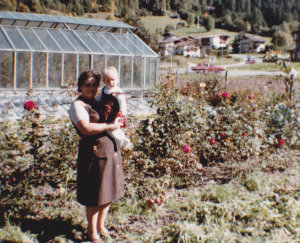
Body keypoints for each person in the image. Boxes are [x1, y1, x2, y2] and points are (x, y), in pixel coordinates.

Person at [69, 70, 124, 243]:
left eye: (94, 84)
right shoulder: (78, 105)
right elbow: (86, 128)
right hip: (93, 153)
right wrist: (110, 126)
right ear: (80, 87)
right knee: (94, 195)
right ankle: (92, 232)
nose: (92, 88)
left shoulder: (100, 101)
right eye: (87, 85)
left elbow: (119, 113)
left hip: (110, 152)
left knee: (108, 191)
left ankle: (101, 226)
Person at [96, 66, 130, 149]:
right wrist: (95, 102)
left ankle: (120, 140)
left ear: (117, 80)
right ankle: (124, 139)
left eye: (113, 80)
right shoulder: (104, 90)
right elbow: (98, 98)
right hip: (106, 113)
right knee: (113, 128)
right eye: (108, 81)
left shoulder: (118, 91)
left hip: (115, 113)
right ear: (104, 81)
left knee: (110, 128)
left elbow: (122, 102)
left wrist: (123, 111)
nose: (111, 82)